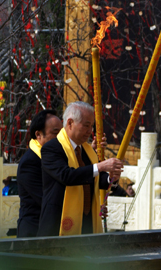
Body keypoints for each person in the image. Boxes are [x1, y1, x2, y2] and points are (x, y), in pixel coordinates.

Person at [38, 101, 123, 237]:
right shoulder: (52, 148)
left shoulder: (87, 150)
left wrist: (111, 177)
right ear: (70, 123)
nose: (90, 131)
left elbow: (94, 178)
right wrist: (101, 166)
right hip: (58, 221)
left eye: (91, 126)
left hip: (87, 220)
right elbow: (67, 176)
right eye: (86, 126)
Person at [17, 110, 63, 237]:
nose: (60, 138)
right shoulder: (30, 162)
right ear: (38, 135)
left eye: (62, 133)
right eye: (55, 133)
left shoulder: (59, 157)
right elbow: (46, 199)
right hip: (34, 231)